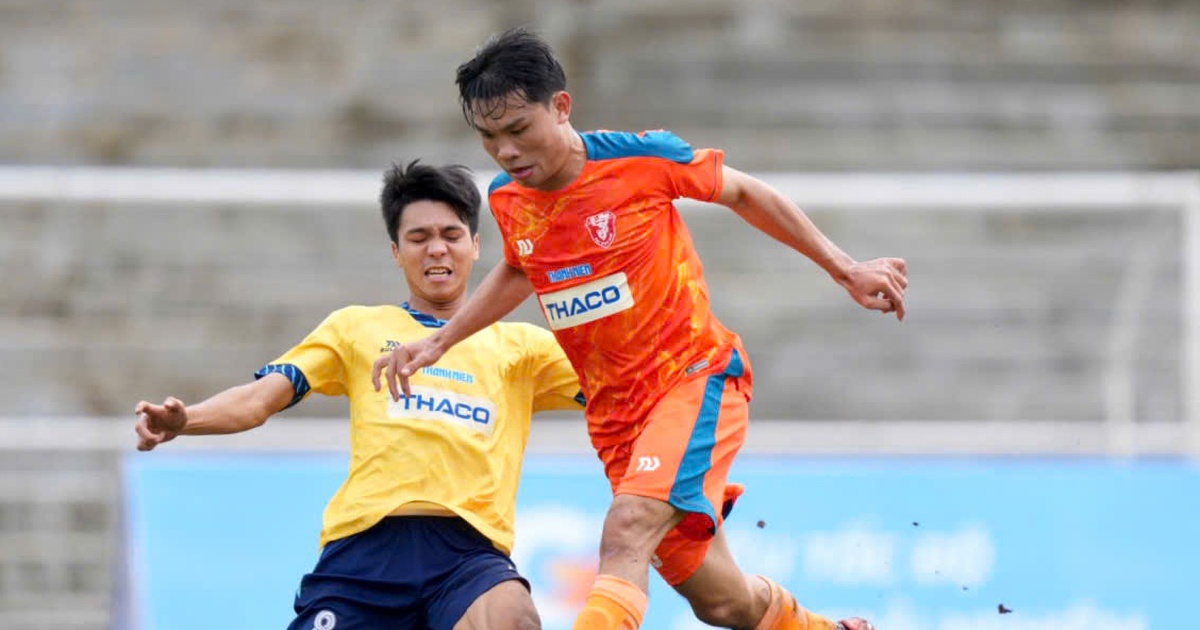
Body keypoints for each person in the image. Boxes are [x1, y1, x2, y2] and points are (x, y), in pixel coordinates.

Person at [374, 28, 905, 630]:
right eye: (490, 138)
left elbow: (744, 192)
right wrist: (440, 340)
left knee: (625, 529)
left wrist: (845, 267)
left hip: (694, 379)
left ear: (561, 107)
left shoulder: (639, 160)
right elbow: (522, 268)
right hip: (616, 418)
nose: (506, 151)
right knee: (721, 600)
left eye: (519, 129)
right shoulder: (507, 200)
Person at [134, 159, 585, 630]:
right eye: (418, 238)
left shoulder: (522, 348)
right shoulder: (355, 328)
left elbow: (622, 386)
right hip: (368, 551)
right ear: (396, 251)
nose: (437, 250)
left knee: (511, 614)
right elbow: (257, 401)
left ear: (475, 246)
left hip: (467, 555)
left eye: (451, 235)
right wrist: (186, 421)